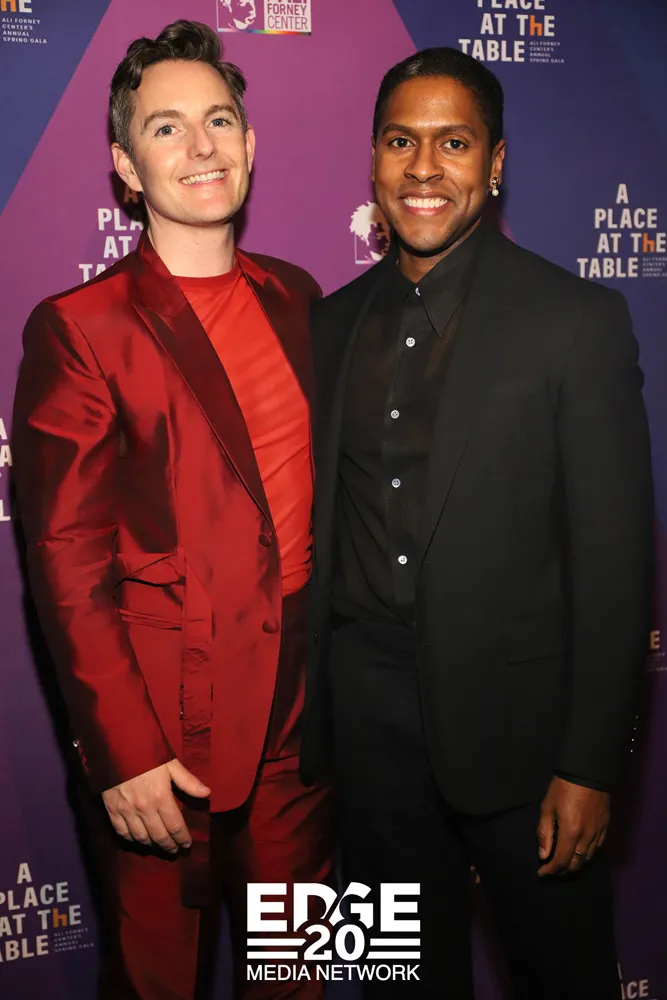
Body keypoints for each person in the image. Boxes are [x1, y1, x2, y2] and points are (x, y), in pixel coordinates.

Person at [301, 47, 652, 999]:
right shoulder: (325, 326)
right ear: (373, 161)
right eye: (399, 142)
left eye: (452, 143)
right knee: (396, 984)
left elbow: (615, 564)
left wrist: (589, 767)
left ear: (493, 164)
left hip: (527, 750)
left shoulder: (574, 321)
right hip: (369, 752)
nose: (423, 168)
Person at [13, 20, 331, 1000]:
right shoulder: (80, 328)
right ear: (125, 165)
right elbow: (65, 556)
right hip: (163, 733)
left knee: (298, 973)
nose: (201, 146)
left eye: (219, 120)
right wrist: (124, 752)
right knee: (156, 983)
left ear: (250, 141)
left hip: (301, 727)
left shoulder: (300, 297)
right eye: (166, 127)